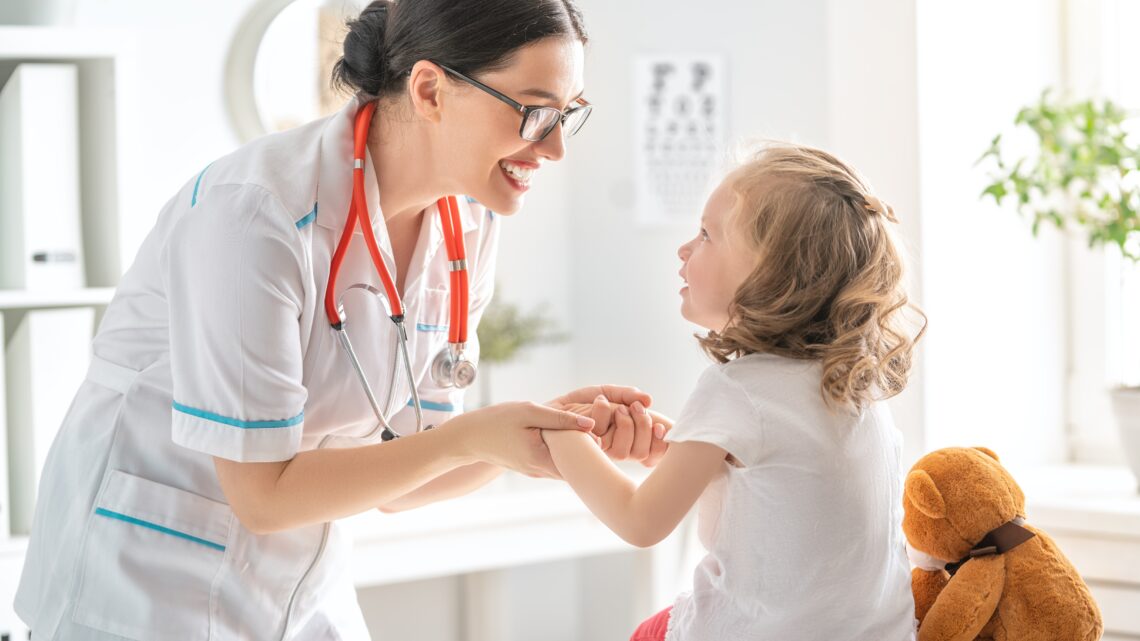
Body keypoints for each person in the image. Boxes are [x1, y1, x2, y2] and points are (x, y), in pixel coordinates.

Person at [14, 1, 665, 639]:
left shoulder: (467, 227)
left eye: (566, 116)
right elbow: (264, 494)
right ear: (431, 89)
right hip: (144, 585)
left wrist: (543, 435)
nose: (553, 149)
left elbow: (406, 479)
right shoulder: (253, 214)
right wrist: (475, 435)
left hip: (299, 585)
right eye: (534, 112)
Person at [544, 143, 928, 641]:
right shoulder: (856, 383)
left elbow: (641, 523)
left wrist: (561, 432)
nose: (684, 249)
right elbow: (788, 490)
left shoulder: (737, 389)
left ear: (773, 275)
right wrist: (683, 452)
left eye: (706, 235)